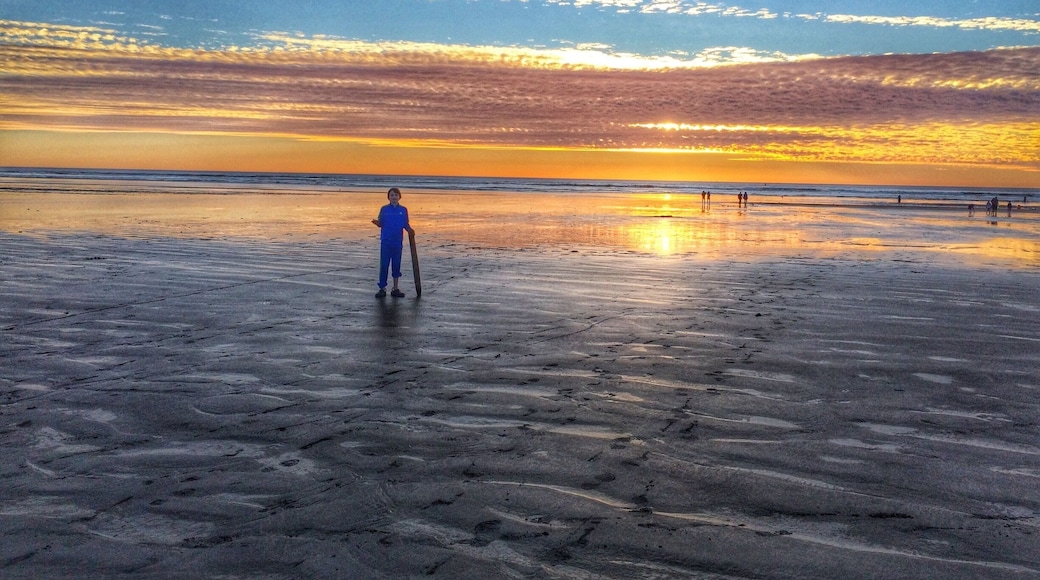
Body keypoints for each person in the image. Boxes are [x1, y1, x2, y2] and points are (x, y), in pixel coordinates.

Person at [371, 187, 415, 298]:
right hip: (386, 241)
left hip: (397, 241)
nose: (394, 197)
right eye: (391, 195)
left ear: (399, 197)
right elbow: (381, 223)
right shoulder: (384, 209)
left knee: (396, 265)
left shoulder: (403, 210)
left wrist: (410, 230)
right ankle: (382, 288)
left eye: (396, 195)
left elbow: (405, 223)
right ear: (388, 197)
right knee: (384, 265)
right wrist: (377, 223)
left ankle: (395, 288)